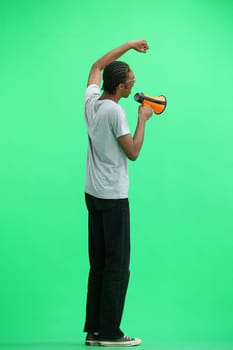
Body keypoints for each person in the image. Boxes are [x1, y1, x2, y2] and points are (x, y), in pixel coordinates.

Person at [83, 39, 153, 347]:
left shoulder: (92, 102)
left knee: (98, 264)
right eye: (132, 83)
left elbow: (96, 66)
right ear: (122, 88)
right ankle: (110, 333)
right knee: (117, 267)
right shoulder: (116, 114)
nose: (134, 85)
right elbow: (134, 152)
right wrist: (143, 119)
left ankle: (94, 330)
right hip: (112, 198)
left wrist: (128, 45)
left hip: (93, 195)